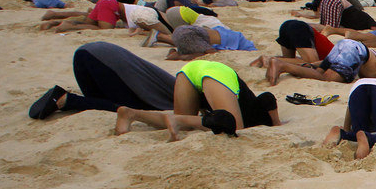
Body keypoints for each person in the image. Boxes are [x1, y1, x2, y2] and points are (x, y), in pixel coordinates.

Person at [114, 59, 280, 139]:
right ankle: (177, 120)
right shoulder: (259, 116)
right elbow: (267, 98)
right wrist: (277, 124)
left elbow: (267, 98)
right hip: (217, 74)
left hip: (192, 69)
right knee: (234, 128)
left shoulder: (246, 104)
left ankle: (132, 114)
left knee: (183, 122)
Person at [29, 43, 179, 119]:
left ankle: (67, 100)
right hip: (99, 60)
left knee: (101, 102)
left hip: (92, 54)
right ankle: (66, 100)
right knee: (129, 110)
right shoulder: (183, 91)